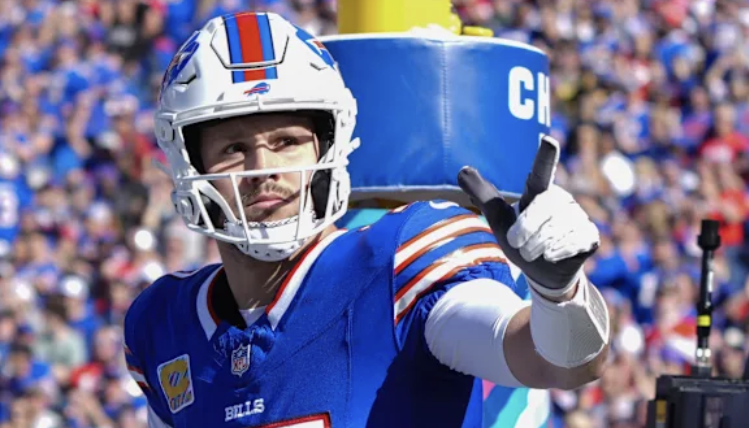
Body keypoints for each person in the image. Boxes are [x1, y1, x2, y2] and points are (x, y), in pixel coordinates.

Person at [124, 11, 610, 428]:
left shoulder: (399, 262)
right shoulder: (163, 324)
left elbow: (557, 362)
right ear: (191, 165)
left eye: (286, 141)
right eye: (234, 148)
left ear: (328, 147)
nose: (263, 169)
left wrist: (560, 297)